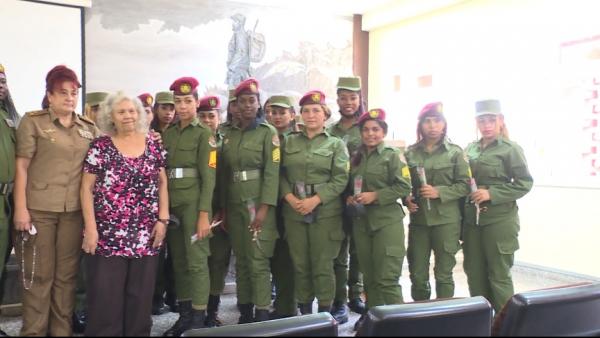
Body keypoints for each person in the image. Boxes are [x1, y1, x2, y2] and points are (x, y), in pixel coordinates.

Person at [13, 65, 101, 336]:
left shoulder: (88, 128)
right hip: (38, 211)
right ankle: (34, 332)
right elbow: (22, 167)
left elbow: (104, 159)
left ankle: (61, 331)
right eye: (62, 93)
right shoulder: (33, 122)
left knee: (66, 279)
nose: (69, 98)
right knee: (38, 277)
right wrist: (20, 209)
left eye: (73, 93)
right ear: (49, 95)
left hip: (73, 213)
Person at [80, 91, 168, 336]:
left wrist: (163, 219)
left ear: (139, 114)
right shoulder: (100, 147)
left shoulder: (153, 144)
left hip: (146, 233)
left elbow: (162, 184)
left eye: (132, 111)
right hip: (108, 234)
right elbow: (86, 188)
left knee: (140, 299)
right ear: (111, 117)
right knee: (106, 300)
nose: (128, 116)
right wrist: (91, 228)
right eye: (121, 111)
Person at [280, 90, 349, 316]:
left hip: (326, 213)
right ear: (299, 115)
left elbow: (340, 178)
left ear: (325, 115)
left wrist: (315, 200)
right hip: (295, 211)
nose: (311, 115)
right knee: (300, 264)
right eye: (306, 111)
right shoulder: (288, 142)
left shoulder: (336, 145)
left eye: (316, 111)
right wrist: (290, 199)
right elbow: (278, 175)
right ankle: (306, 313)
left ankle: (325, 314)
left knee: (323, 264)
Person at [462, 99, 533, 313]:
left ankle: (505, 326)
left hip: (500, 221)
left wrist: (491, 193)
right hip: (473, 222)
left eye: (491, 120)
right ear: (476, 122)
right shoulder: (470, 149)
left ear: (500, 121)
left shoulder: (511, 149)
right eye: (482, 120)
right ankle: (483, 324)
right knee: (475, 274)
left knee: (499, 276)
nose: (487, 125)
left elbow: (524, 183)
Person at [218, 78, 280, 323]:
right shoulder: (229, 134)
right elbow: (223, 174)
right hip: (234, 205)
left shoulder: (268, 133)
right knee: (241, 259)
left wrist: (265, 208)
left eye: (251, 101)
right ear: (235, 105)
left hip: (257, 203)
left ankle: (262, 310)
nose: (246, 106)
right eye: (241, 101)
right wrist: (223, 207)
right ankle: (244, 309)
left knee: (258, 259)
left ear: (258, 103)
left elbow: (272, 172)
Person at [346, 108, 412, 330]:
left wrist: (375, 195)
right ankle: (374, 320)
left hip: (386, 222)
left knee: (387, 279)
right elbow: (352, 185)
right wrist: (350, 198)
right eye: (365, 129)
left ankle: (401, 325)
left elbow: (404, 185)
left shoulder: (393, 155)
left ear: (383, 132)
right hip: (362, 223)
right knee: (370, 278)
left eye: (375, 129)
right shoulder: (357, 157)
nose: (370, 134)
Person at [161, 77, 217, 336]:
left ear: (196, 103)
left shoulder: (205, 135)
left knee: (197, 261)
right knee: (179, 261)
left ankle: (198, 315)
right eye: (177, 102)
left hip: (195, 204)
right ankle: (184, 315)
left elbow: (209, 177)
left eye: (187, 101)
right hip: (172, 205)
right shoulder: (168, 133)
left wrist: (204, 215)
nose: (182, 107)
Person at [404, 102, 470, 301]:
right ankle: (420, 317)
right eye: (427, 121)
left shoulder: (455, 153)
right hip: (420, 221)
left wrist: (439, 192)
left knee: (444, 274)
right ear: (420, 125)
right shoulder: (410, 153)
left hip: (447, 221)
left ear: (444, 124)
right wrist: (406, 198)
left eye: (437, 121)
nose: (432, 126)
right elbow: (404, 183)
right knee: (417, 273)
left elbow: (466, 185)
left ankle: (444, 317)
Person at [327, 76, 366, 322]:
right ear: (338, 100)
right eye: (343, 98)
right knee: (339, 252)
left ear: (360, 99)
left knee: (360, 249)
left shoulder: (367, 127)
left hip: (362, 197)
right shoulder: (330, 130)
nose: (348, 102)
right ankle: (339, 300)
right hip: (336, 198)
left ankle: (356, 295)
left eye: (353, 98)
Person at [197, 94, 232, 327]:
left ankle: (212, 309)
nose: (208, 120)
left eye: (212, 116)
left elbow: (229, 180)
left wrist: (224, 209)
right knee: (198, 260)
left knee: (218, 261)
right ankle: (195, 309)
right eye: (203, 116)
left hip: (222, 211)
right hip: (199, 209)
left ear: (219, 117)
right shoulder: (196, 140)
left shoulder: (226, 143)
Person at [267, 95, 297, 319]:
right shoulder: (264, 136)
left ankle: (288, 306)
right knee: (273, 255)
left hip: (290, 203)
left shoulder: (296, 140)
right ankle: (279, 302)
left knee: (288, 257)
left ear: (292, 115)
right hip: (268, 204)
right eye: (273, 112)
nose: (277, 117)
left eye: (282, 112)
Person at [150, 91, 177, 316]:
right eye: (164, 108)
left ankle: (173, 295)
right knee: (157, 251)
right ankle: (155, 298)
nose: (168, 112)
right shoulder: (150, 133)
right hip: (155, 198)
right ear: (155, 109)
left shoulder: (180, 132)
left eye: (172, 108)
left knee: (176, 253)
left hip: (178, 196)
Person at [0, 63, 18, 337]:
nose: (0, 85)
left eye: (2, 81)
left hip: (7, 201)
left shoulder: (10, 118)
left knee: (2, 264)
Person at [226, 14, 251, 88]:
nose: (233, 24)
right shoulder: (238, 34)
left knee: (233, 93)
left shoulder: (240, 35)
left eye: (235, 21)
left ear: (240, 23)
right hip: (238, 70)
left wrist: (231, 67)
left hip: (237, 71)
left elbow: (240, 52)